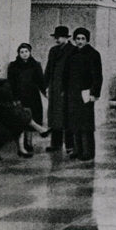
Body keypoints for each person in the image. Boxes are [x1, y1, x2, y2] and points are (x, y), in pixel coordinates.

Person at [0, 63, 48, 158]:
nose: (1, 72)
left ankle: (23, 149)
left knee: (21, 115)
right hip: (1, 109)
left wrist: (15, 102)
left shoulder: (4, 82)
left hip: (9, 108)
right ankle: (39, 130)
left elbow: (12, 95)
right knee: (20, 116)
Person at [63, 27, 103, 162]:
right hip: (72, 93)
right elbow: (66, 74)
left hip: (86, 93)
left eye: (83, 39)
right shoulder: (71, 54)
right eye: (78, 39)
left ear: (87, 40)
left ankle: (88, 151)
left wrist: (94, 93)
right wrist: (64, 90)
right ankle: (77, 149)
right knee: (74, 122)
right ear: (74, 39)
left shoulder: (93, 54)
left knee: (86, 123)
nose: (80, 41)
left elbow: (98, 76)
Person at [8, 43, 46, 155]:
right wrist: (13, 98)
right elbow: (11, 83)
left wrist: (45, 92)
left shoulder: (36, 65)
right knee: (22, 119)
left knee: (32, 117)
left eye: (26, 52)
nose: (24, 54)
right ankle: (22, 144)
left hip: (33, 96)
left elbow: (41, 81)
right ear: (18, 54)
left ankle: (29, 143)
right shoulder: (13, 66)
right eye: (22, 52)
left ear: (30, 52)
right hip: (19, 96)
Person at [44, 26, 74, 155]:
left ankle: (70, 145)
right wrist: (44, 85)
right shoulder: (53, 50)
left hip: (66, 88)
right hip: (54, 88)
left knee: (66, 116)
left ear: (66, 37)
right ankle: (55, 144)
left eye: (59, 37)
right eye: (55, 37)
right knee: (55, 117)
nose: (56, 39)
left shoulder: (72, 50)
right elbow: (48, 68)